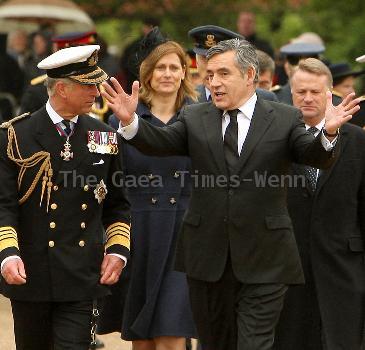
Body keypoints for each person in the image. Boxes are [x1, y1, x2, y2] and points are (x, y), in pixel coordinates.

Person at [101, 38, 359, 350]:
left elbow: (313, 154)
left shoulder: (283, 117)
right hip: (206, 260)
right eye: (209, 75)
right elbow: (160, 142)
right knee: (217, 343)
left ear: (250, 75)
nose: (214, 83)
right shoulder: (196, 116)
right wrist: (130, 123)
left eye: (223, 74)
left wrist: (329, 133)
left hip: (267, 260)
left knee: (254, 343)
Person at [0, 44, 131, 350]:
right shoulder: (15, 137)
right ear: (61, 88)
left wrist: (117, 250)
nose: (96, 94)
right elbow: (4, 205)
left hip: (82, 275)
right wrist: (8, 253)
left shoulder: (104, 136)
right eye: (88, 86)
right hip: (31, 273)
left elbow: (118, 205)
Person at [106, 27, 197, 350]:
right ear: (147, 73)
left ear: (185, 72)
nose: (168, 74)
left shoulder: (200, 118)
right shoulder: (122, 118)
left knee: (171, 335)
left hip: (184, 235)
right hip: (138, 233)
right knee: (143, 341)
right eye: (161, 67)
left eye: (175, 67)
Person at [274, 58, 365, 350]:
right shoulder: (275, 140)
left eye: (316, 91)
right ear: (291, 93)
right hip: (289, 269)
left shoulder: (356, 140)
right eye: (301, 92)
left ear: (330, 93)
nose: (308, 98)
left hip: (343, 267)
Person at [188, 24, 278, 102]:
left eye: (218, 59)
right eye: (205, 59)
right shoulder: (183, 99)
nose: (211, 67)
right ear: (197, 63)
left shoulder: (264, 99)